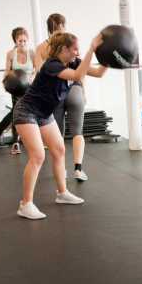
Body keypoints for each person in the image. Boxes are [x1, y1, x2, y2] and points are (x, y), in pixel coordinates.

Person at [12, 31, 107, 219]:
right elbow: (79, 75)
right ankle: (25, 204)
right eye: (75, 49)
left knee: (59, 150)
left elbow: (98, 72)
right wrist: (91, 49)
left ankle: (62, 193)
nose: (77, 53)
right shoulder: (52, 64)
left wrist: (108, 56)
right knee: (38, 156)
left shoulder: (73, 62)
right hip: (26, 111)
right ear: (64, 49)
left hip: (44, 113)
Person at [35, 14, 89, 181]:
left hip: (55, 94)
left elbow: (39, 72)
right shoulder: (70, 43)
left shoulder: (41, 48)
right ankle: (78, 169)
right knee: (77, 132)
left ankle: (62, 170)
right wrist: (84, 92)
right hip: (74, 90)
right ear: (61, 26)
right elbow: (81, 73)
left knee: (57, 134)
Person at [0, 27, 35, 154]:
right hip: (16, 87)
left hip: (29, 88)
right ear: (16, 40)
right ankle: (15, 143)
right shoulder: (10, 54)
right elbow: (7, 71)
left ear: (28, 40)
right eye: (20, 41)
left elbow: (37, 69)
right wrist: (4, 82)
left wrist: (33, 76)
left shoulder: (32, 53)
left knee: (16, 112)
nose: (22, 43)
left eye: (24, 41)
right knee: (16, 112)